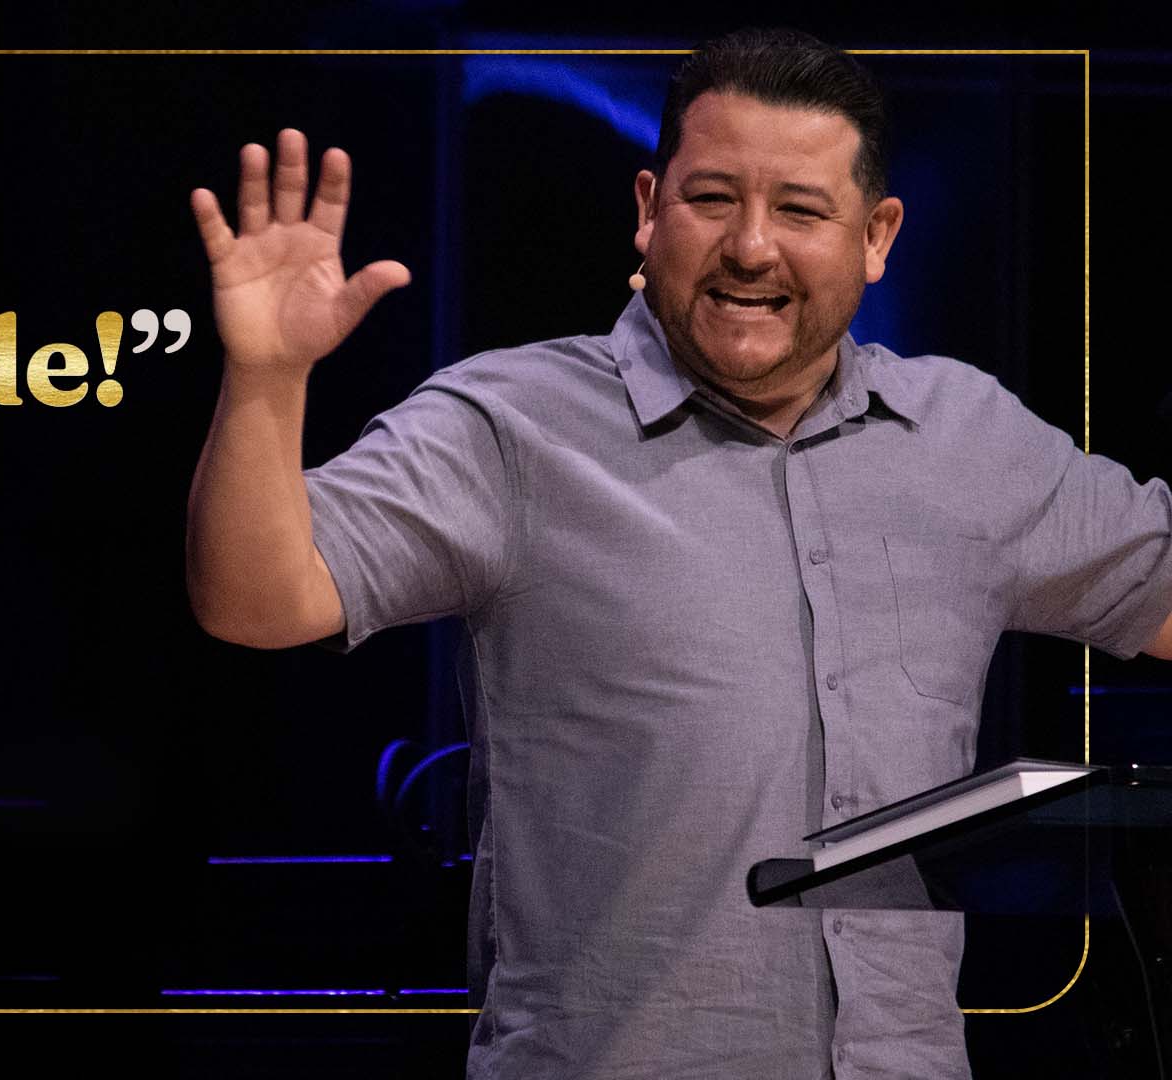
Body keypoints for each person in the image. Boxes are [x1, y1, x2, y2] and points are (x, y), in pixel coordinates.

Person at [184, 28, 1172, 1080]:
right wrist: (267, 379)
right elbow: (255, 599)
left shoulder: (969, 440)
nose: (751, 247)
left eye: (801, 211)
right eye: (711, 199)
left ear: (877, 236)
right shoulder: (511, 427)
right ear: (650, 209)